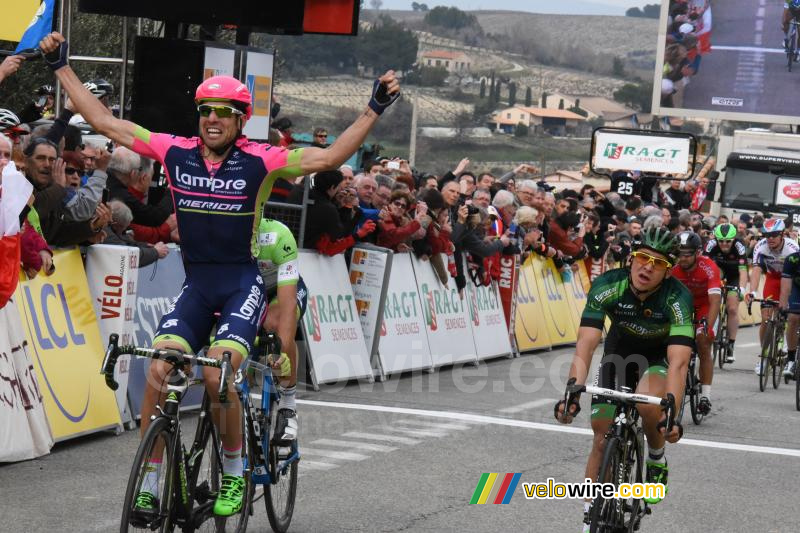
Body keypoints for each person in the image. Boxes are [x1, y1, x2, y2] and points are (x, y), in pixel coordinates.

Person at [38, 30, 400, 519]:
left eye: (223, 112)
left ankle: (233, 469)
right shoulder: (174, 150)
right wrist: (61, 65)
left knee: (216, 373)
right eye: (206, 110)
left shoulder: (262, 160)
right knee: (161, 368)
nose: (212, 119)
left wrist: (373, 107)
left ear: (240, 119)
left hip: (239, 285)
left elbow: (330, 158)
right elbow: (104, 120)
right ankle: (148, 480)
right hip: (197, 284)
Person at [556, 227, 690, 532]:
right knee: (601, 437)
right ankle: (590, 513)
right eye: (643, 258)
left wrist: (671, 412)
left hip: (658, 357)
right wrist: (571, 394)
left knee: (647, 407)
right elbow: (586, 342)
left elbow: (680, 361)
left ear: (668, 272)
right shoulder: (607, 285)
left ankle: (656, 457)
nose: (647, 267)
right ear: (631, 258)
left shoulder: (677, 297)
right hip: (619, 354)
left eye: (658, 264)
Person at [255, 217, 307, 451]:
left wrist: (281, 345)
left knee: (275, 324)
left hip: (283, 288)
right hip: (249, 291)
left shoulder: (277, 234)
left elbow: (286, 308)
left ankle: (288, 403)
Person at [671, 231, 721, 415]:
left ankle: (705, 396)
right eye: (679, 253)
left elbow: (715, 300)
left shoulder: (709, 267)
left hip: (705, 305)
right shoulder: (673, 267)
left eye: (687, 254)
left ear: (697, 253)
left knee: (702, 341)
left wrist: (707, 326)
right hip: (683, 305)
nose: (682, 258)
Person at [746, 218, 800, 375]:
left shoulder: (792, 248)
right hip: (773, 279)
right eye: (766, 235)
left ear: (782, 234)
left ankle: (787, 341)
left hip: (791, 280)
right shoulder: (761, 247)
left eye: (774, 235)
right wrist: (752, 291)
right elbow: (756, 270)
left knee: (791, 315)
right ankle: (764, 357)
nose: (770, 238)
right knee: (766, 317)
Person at [703, 223, 748, 362]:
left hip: (734, 274)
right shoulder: (710, 244)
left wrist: (742, 289)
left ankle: (731, 345)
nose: (724, 244)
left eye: (728, 241)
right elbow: (704, 267)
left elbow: (743, 270)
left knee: (733, 308)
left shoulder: (739, 246)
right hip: (718, 271)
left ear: (733, 239)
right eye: (720, 241)